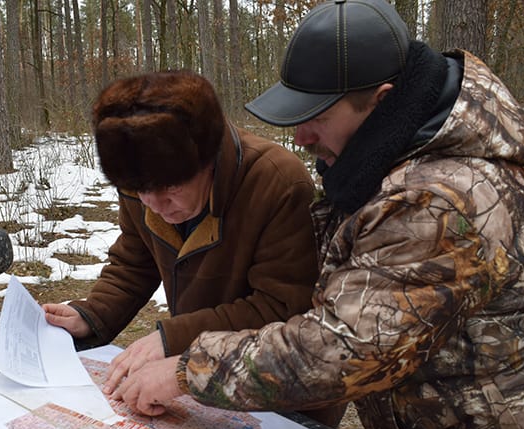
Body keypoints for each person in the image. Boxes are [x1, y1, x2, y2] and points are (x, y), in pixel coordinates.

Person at [112, 1, 524, 429]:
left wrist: (189, 369)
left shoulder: (436, 198)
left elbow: (344, 349)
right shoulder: (396, 158)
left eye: (317, 118)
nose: (300, 138)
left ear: (380, 102)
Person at [43, 70, 323, 407]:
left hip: (276, 393)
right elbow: (135, 261)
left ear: (209, 159)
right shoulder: (141, 176)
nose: (155, 206)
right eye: (139, 191)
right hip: (193, 378)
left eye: (170, 189)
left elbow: (282, 306)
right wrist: (92, 315)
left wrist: (172, 339)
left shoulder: (278, 182)